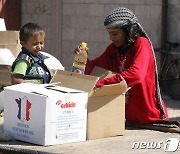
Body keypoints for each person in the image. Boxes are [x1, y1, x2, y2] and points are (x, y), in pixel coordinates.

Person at [74, 7, 169, 124]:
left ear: (129, 31)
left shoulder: (142, 44)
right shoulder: (113, 50)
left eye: (115, 34)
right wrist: (82, 59)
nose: (111, 38)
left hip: (152, 118)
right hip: (129, 119)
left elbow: (136, 74)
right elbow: (94, 69)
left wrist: (101, 84)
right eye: (110, 34)